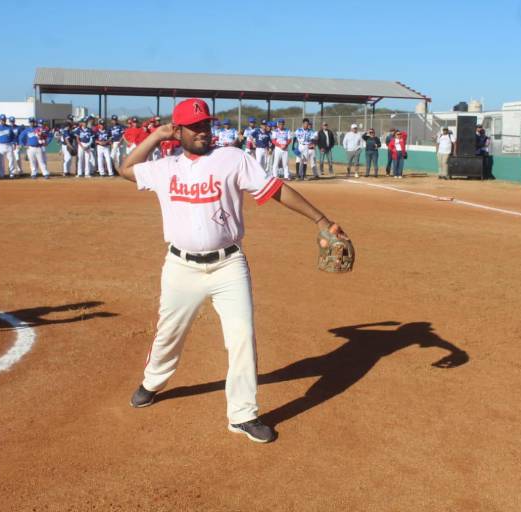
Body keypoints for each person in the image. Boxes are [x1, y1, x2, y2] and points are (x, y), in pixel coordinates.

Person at [118, 98, 349, 444]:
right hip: (180, 267)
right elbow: (125, 168)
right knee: (169, 333)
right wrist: (157, 136)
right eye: (194, 127)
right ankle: (153, 381)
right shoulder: (164, 168)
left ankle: (242, 414)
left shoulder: (232, 158)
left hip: (228, 265)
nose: (203, 132)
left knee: (242, 337)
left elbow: (275, 190)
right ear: (177, 130)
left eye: (206, 125)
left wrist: (322, 219)